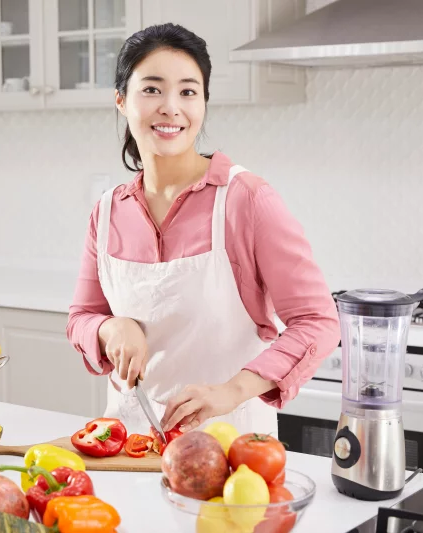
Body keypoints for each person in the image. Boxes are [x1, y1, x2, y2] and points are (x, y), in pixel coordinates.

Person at [66, 23, 340, 438]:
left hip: (231, 445)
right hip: (127, 445)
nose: (171, 107)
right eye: (153, 89)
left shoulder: (246, 200)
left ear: (204, 103)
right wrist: (109, 329)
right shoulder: (107, 212)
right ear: (121, 101)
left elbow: (318, 321)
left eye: (188, 92)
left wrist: (233, 390)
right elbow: (82, 317)